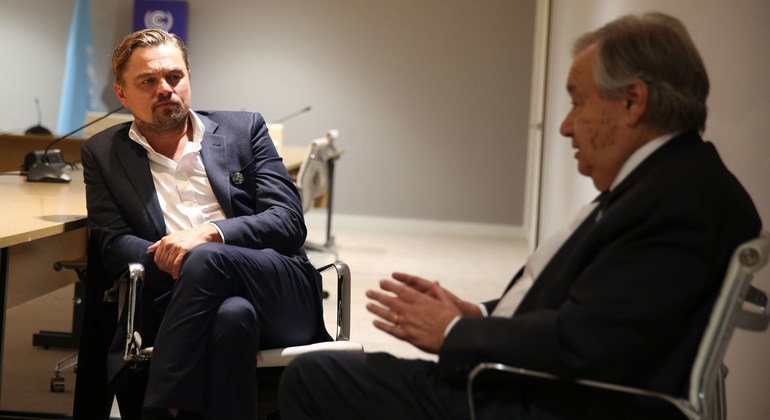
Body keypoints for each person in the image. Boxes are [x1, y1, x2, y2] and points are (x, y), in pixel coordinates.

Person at [278, 12, 762, 420]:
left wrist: (454, 332)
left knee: (315, 375)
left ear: (633, 101)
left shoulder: (675, 200)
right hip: (536, 384)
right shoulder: (673, 181)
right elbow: (600, 312)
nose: (565, 127)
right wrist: (481, 313)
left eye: (577, 102)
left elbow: (583, 343)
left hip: (532, 400)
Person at [75, 29, 329, 420]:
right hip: (180, 297)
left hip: (279, 288)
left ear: (188, 78)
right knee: (232, 317)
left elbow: (289, 221)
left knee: (208, 256)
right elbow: (112, 243)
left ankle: (162, 401)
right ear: (122, 94)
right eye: (148, 81)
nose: (165, 89)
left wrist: (210, 233)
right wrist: (172, 255)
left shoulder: (244, 130)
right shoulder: (103, 152)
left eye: (174, 76)